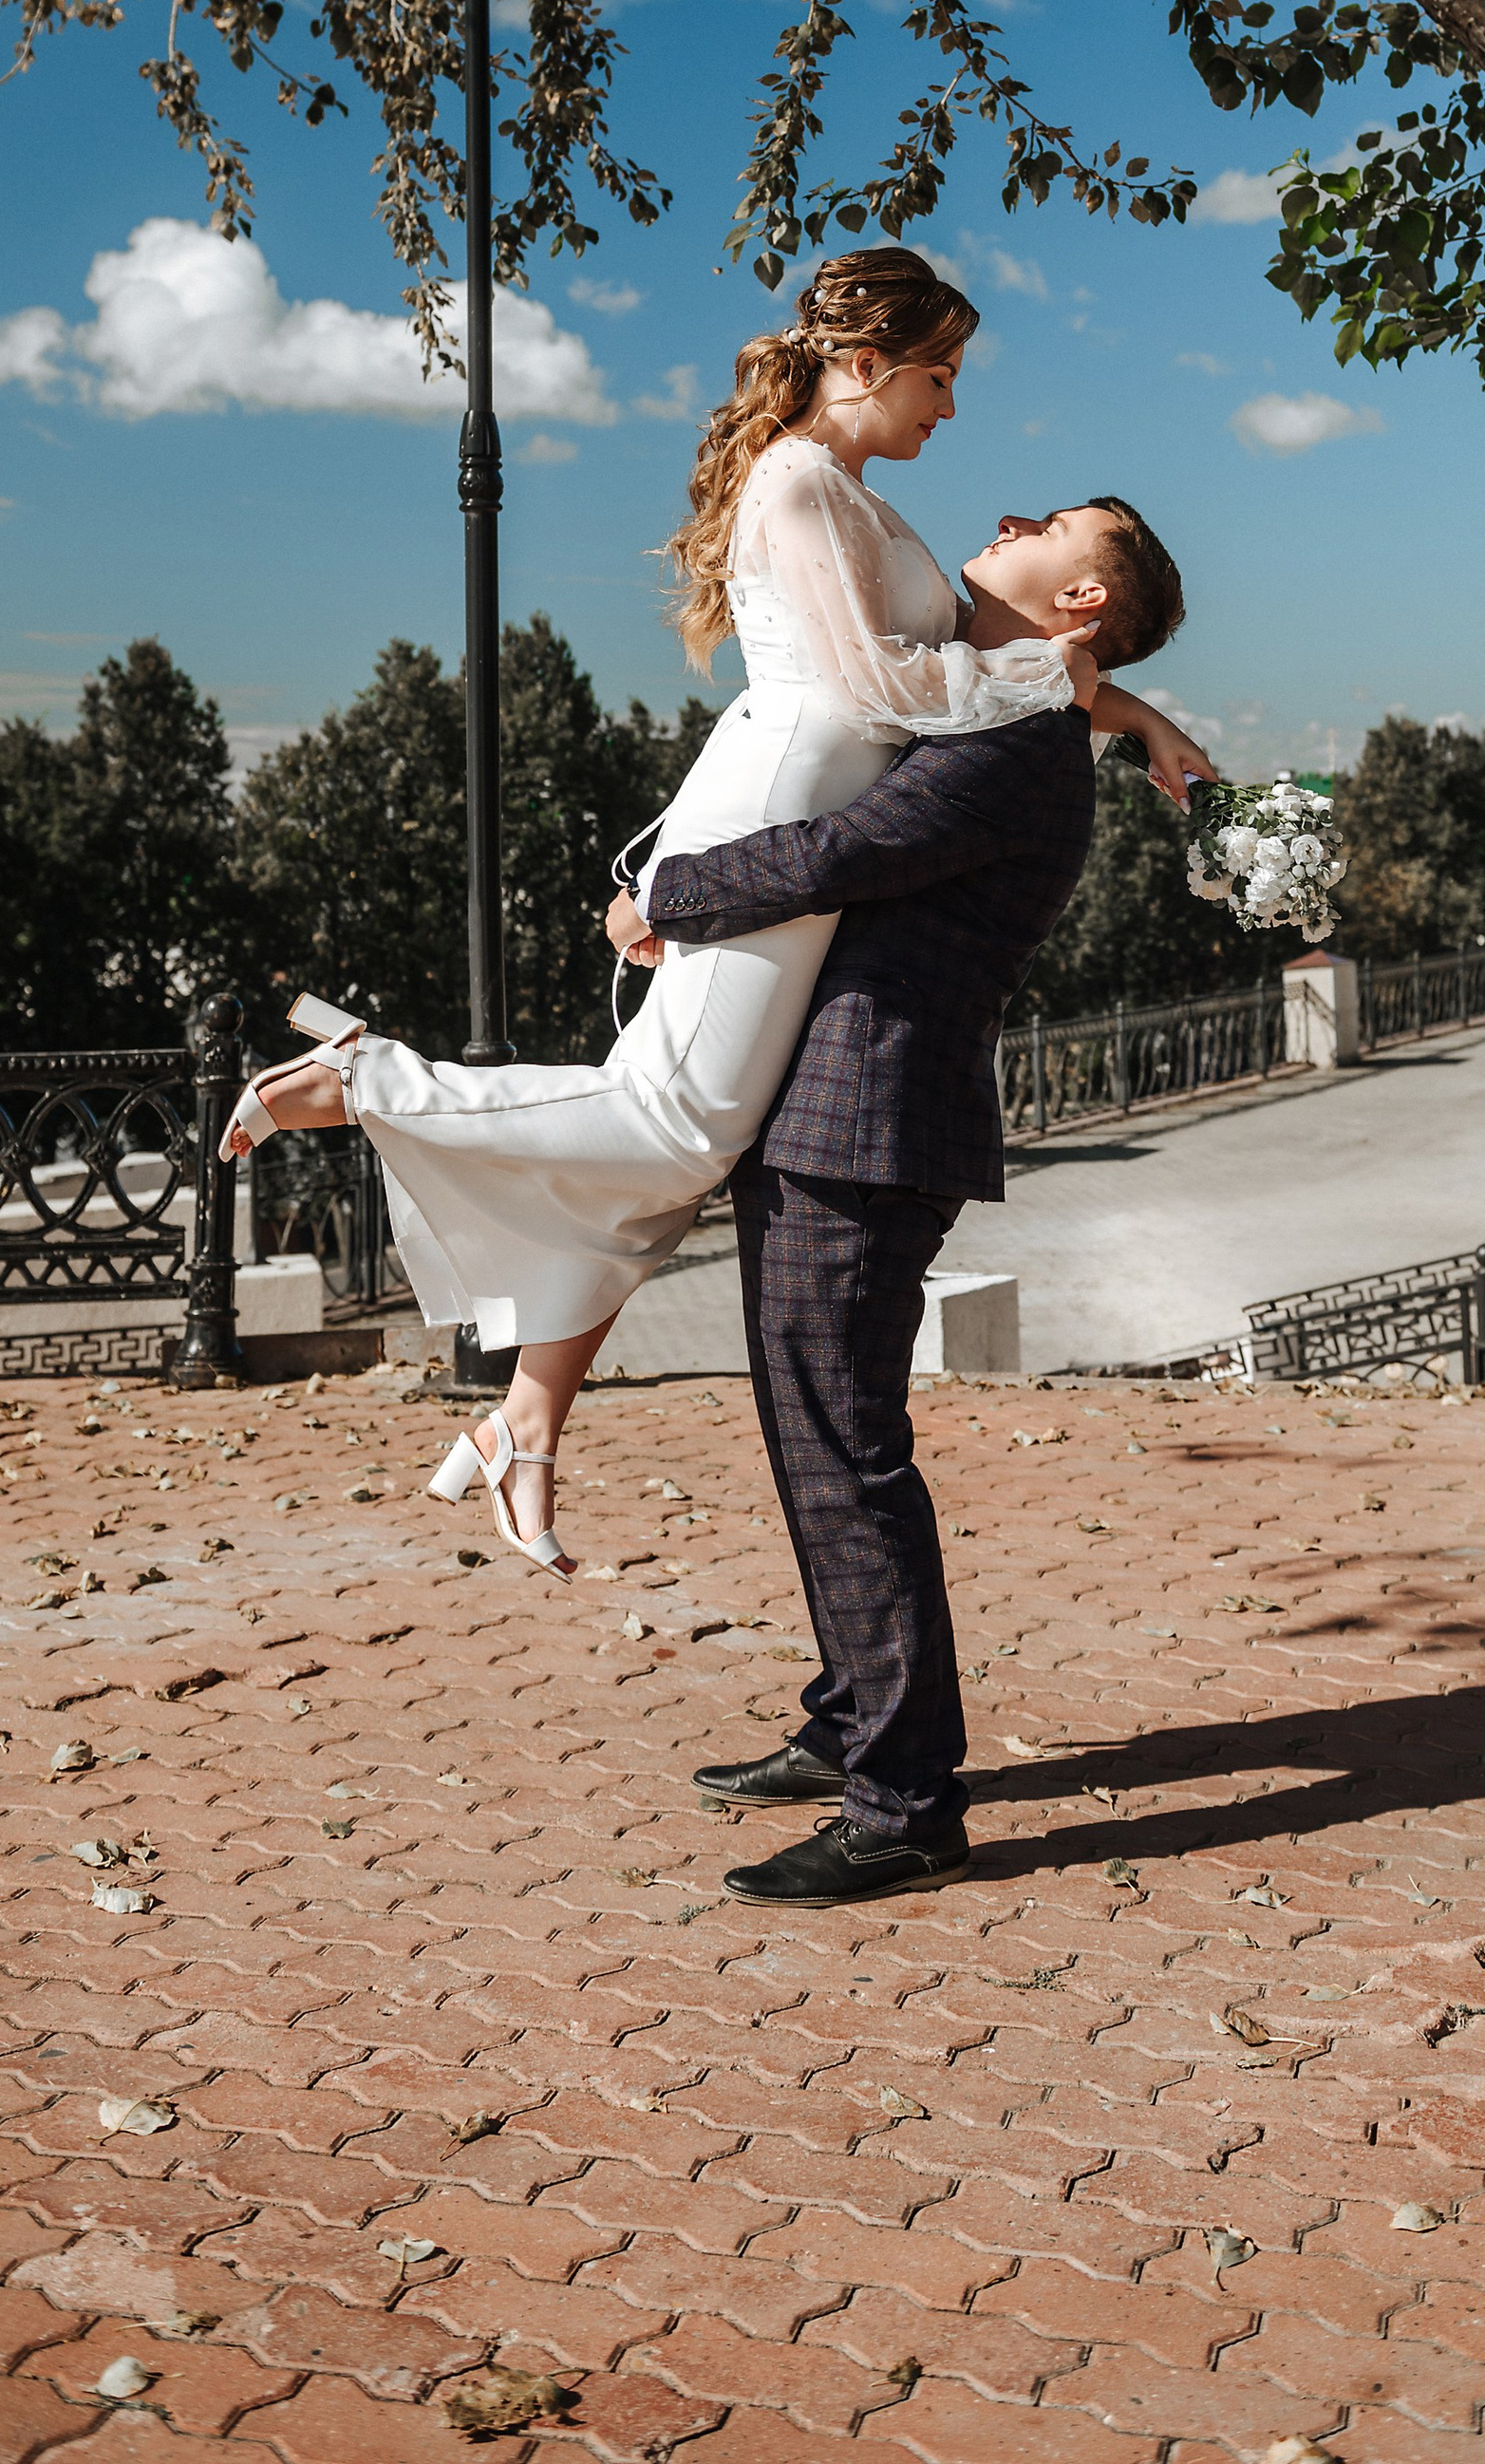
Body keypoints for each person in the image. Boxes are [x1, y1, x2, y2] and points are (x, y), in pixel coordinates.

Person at [222, 248, 1212, 1573]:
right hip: (780, 809)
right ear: (866, 363)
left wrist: (1123, 706)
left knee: (685, 1139)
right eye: (940, 375)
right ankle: (370, 1082)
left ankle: (528, 1418)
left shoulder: (848, 491)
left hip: (799, 805)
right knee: (677, 1120)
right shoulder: (800, 484)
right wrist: (1071, 682)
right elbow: (884, 691)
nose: (951, 406)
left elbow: (970, 649)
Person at [605, 495, 1189, 1907]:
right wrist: (1143, 714)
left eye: (1057, 523)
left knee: (846, 1452)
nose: (1012, 513)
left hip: (867, 1122)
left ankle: (908, 1803)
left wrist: (663, 897)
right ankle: (851, 1723)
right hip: (839, 1116)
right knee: (816, 1438)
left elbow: (839, 853)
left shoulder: (1017, 748)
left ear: (1082, 601)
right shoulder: (1013, 707)